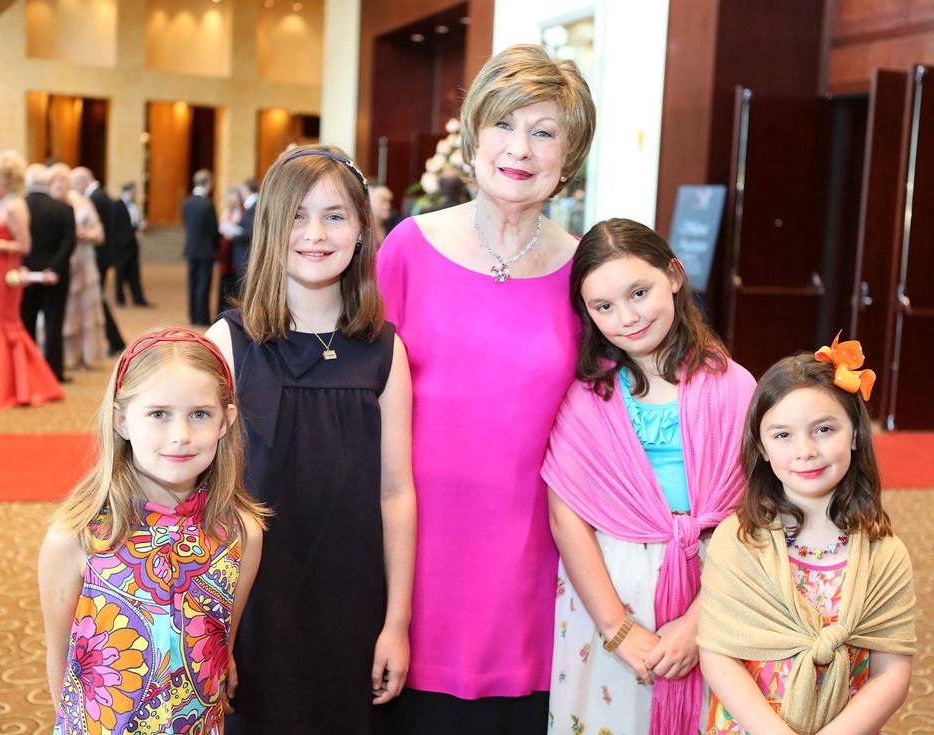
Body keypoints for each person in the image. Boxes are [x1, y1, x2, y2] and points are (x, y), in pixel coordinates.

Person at [376, 43, 596, 732]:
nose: (520, 148)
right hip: (413, 556)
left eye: (544, 131)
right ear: (474, 134)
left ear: (569, 155)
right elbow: (358, 402)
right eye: (504, 124)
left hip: (532, 561)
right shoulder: (407, 248)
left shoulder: (585, 272)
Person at [206, 144, 416, 734]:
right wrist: (212, 628)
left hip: (353, 602)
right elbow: (201, 497)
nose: (316, 234)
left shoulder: (385, 350)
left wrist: (396, 624)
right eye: (297, 216)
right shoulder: (229, 342)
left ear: (361, 230)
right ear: (270, 228)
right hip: (253, 604)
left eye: (334, 216)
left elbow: (397, 493)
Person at [541, 219, 756, 735]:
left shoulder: (734, 388)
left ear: (674, 276)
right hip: (611, 590)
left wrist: (700, 621)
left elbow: (758, 510)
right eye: (604, 306)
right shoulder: (586, 401)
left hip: (719, 583)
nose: (628, 317)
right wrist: (618, 629)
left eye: (639, 292)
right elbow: (567, 517)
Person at [37, 327, 268, 733]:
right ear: (122, 421)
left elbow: (221, 646)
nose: (181, 436)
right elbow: (61, 663)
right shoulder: (76, 536)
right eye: (159, 414)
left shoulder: (241, 535)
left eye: (200, 414)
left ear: (225, 422)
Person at [698, 334, 917, 734]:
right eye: (782, 435)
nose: (805, 451)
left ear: (856, 433)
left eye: (823, 430)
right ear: (761, 447)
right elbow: (718, 654)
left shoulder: (886, 554)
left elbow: (891, 674)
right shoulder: (738, 541)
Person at [0, 150, 63, 408]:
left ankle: (14, 386)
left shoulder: (15, 206)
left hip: (5, 276)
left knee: (4, 324)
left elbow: (24, 246)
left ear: (6, 179)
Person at [22, 162, 76, 382]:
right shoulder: (63, 208)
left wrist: (23, 266)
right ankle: (54, 373)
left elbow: (17, 240)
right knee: (54, 324)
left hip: (24, 276)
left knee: (26, 324)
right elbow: (69, 242)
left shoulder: (19, 206)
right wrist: (53, 268)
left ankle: (27, 372)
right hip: (56, 276)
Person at [49, 163, 107, 369]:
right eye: (56, 180)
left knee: (85, 309)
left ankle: (85, 355)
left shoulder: (81, 202)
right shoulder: (49, 203)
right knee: (62, 310)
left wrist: (85, 235)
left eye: (63, 180)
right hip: (58, 261)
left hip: (83, 261)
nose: (60, 184)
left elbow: (99, 233)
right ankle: (62, 356)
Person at [69, 167, 125, 354]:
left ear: (82, 181)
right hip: (98, 255)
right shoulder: (99, 195)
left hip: (96, 257)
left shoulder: (96, 198)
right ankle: (113, 340)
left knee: (97, 300)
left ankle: (114, 340)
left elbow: (100, 230)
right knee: (97, 300)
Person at [182, 169, 220, 326]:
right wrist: (217, 246)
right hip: (206, 250)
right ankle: (201, 317)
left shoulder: (186, 203)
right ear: (208, 183)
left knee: (192, 284)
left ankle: (192, 316)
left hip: (191, 248)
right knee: (203, 285)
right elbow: (213, 230)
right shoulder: (207, 204)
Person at [113, 181, 150, 307]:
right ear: (128, 190)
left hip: (132, 242)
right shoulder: (117, 205)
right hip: (121, 244)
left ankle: (138, 298)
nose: (136, 192)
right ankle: (120, 298)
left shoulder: (134, 204)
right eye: (134, 190)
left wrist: (139, 226)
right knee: (121, 271)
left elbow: (132, 223)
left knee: (134, 271)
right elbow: (114, 225)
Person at [217, 185, 244, 313]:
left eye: (236, 198)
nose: (234, 201)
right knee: (225, 280)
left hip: (237, 247)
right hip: (226, 247)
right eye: (232, 198)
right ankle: (222, 309)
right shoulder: (227, 212)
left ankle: (234, 309)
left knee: (236, 280)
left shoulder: (243, 212)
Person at [369, 182, 394, 247]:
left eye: (389, 201)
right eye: (383, 201)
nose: (388, 206)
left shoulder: (391, 226)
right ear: (369, 202)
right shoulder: (364, 231)